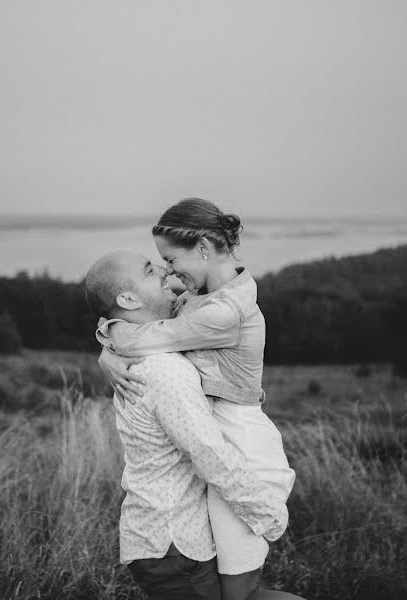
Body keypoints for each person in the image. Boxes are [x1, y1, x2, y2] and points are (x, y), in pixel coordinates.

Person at [96, 198, 302, 600]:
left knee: (237, 591)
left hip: (239, 443)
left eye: (170, 259)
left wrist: (109, 342)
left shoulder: (223, 313)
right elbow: (141, 314)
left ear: (204, 249)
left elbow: (142, 334)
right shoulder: (198, 296)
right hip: (215, 438)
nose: (168, 271)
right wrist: (106, 342)